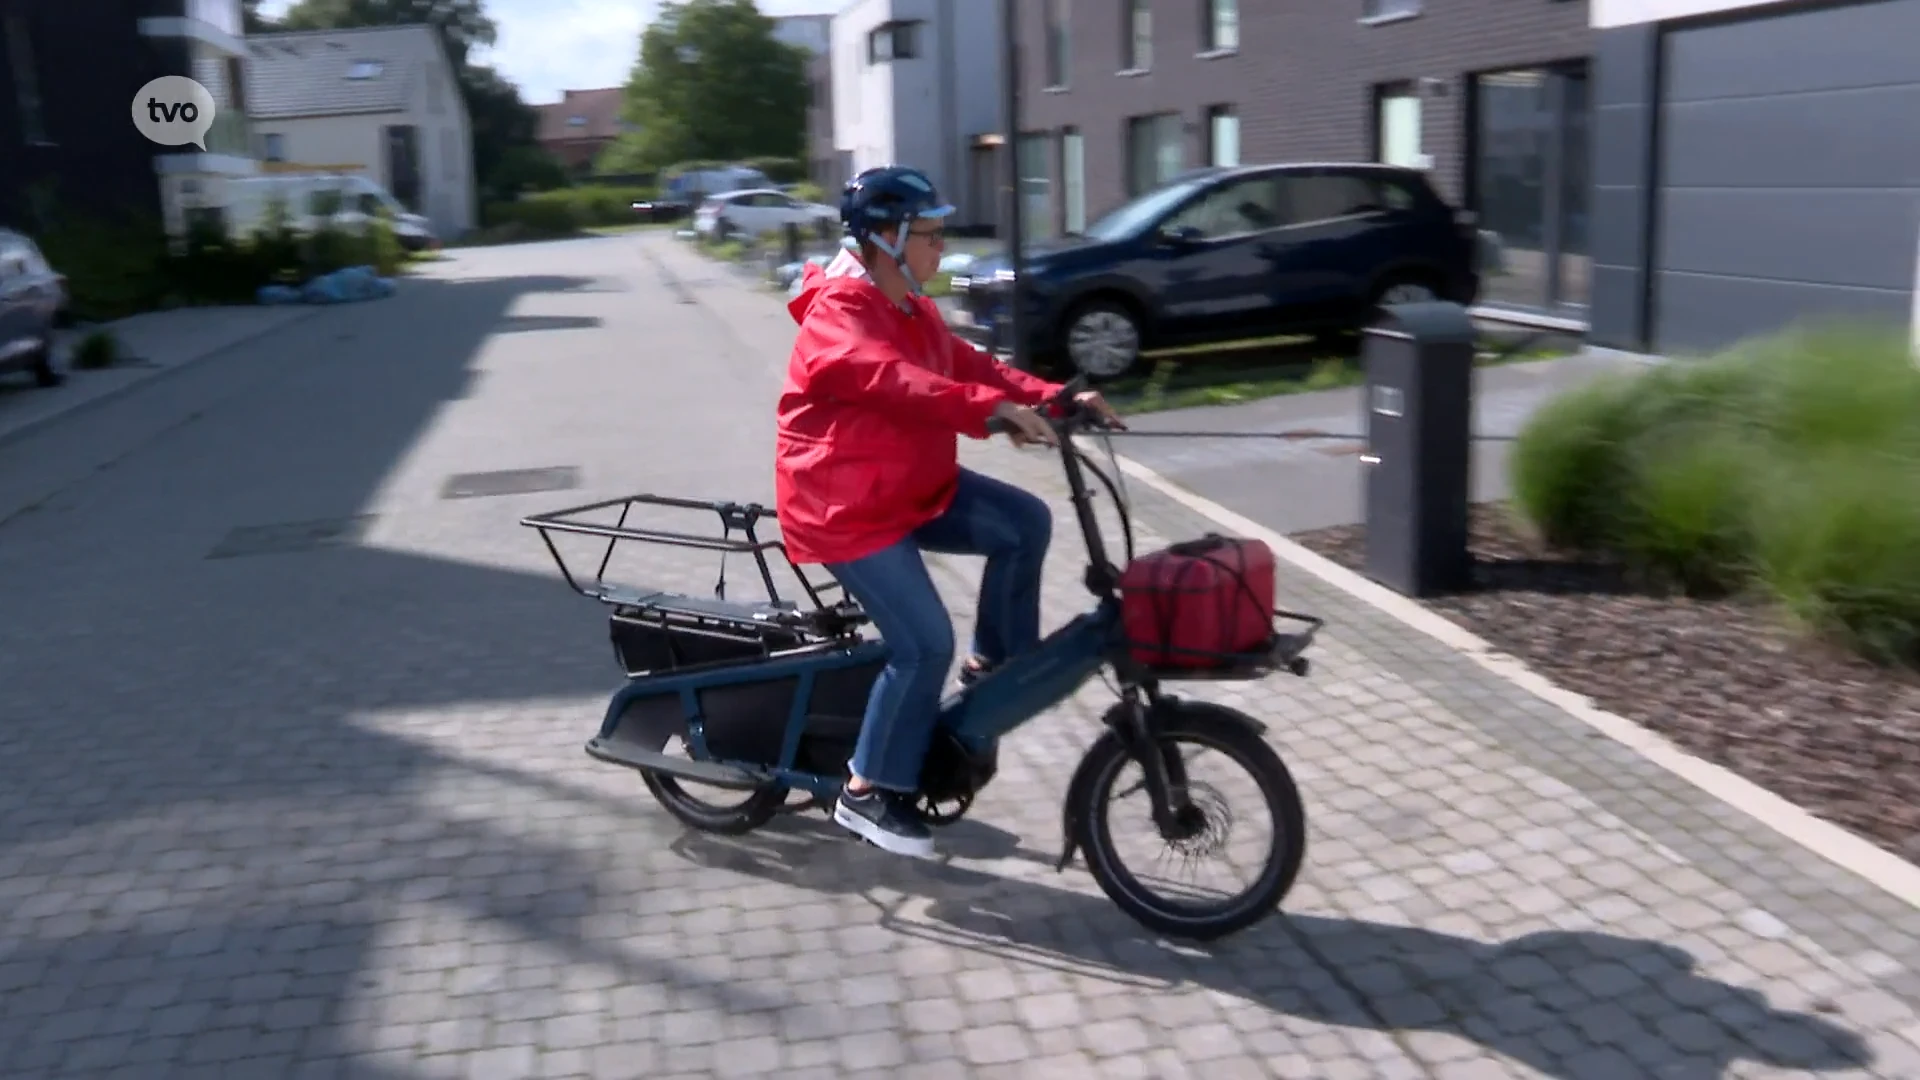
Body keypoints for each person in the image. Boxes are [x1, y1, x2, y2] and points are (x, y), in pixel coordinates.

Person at [775, 165, 1121, 858]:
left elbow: (963, 362)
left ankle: (992, 669)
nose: (942, 247)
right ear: (885, 238)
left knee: (1024, 522)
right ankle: (867, 792)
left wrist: (1052, 397)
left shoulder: (908, 300)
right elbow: (891, 378)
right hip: (845, 508)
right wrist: (988, 413)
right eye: (930, 234)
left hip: (909, 487)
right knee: (923, 642)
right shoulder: (839, 312)